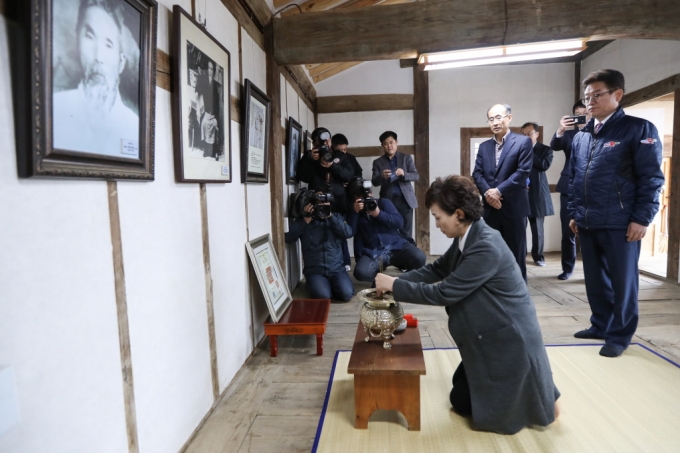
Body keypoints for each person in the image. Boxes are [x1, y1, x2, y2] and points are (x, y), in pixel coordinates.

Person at [374, 175, 560, 435]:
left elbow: (444, 292)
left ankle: (543, 400)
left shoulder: (486, 245)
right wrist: (395, 280)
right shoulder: (467, 235)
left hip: (508, 339)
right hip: (490, 333)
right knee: (460, 395)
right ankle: (539, 395)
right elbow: (437, 269)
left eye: (438, 217)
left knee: (464, 403)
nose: (436, 224)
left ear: (459, 214)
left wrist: (394, 286)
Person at [569, 69, 664, 358]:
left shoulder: (639, 129)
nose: (590, 102)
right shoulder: (582, 136)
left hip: (622, 222)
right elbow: (575, 177)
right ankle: (600, 325)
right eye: (587, 97)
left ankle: (620, 335)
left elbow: (651, 178)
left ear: (617, 95)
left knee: (623, 283)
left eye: (597, 95)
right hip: (588, 219)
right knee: (596, 280)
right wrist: (575, 213)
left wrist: (642, 218)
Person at [53, 0, 139, 158]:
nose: (98, 57)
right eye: (90, 37)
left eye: (108, 45)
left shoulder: (134, 126)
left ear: (121, 63)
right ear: (78, 45)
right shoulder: (55, 108)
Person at [472, 104, 533, 281]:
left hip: (514, 208)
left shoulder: (523, 142)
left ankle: (518, 293)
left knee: (516, 254)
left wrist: (498, 191)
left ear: (509, 118)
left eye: (499, 117)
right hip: (491, 209)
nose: (495, 122)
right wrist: (489, 194)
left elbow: (523, 172)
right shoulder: (484, 147)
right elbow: (477, 173)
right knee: (491, 253)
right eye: (491, 119)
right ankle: (494, 291)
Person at [346, 179, 426, 283]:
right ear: (354, 199)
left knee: (419, 257)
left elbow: (399, 222)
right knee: (361, 272)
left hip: (396, 246)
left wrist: (378, 213)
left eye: (366, 197)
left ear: (371, 193)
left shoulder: (383, 203)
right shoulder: (355, 212)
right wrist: (355, 212)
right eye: (361, 199)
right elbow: (349, 232)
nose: (365, 201)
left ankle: (403, 281)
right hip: (374, 252)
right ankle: (381, 281)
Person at [285, 199, 354, 301]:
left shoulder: (336, 217)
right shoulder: (305, 219)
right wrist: (305, 220)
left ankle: (333, 286)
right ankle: (322, 286)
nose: (321, 206)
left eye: (325, 203)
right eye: (318, 203)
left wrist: (331, 217)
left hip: (337, 269)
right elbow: (289, 238)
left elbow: (348, 233)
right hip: (314, 271)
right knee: (323, 297)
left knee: (347, 294)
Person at [550, 101, 590, 280]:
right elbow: (554, 146)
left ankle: (592, 272)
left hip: (592, 189)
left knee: (591, 233)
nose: (582, 116)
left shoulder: (601, 132)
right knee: (567, 231)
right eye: (578, 113)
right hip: (569, 187)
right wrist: (560, 129)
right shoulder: (569, 134)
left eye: (585, 112)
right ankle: (567, 268)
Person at [371, 131, 419, 242]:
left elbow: (416, 176)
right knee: (390, 229)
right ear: (382, 145)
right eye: (386, 143)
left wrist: (404, 174)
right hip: (388, 201)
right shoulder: (378, 162)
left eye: (391, 142)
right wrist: (382, 176)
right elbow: (374, 181)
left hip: (405, 200)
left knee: (406, 231)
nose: (389, 146)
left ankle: (409, 256)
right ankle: (393, 256)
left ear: (396, 142)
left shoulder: (406, 158)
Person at [298, 128, 354, 215]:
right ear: (314, 143)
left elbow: (349, 175)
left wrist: (332, 166)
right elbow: (303, 177)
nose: (326, 143)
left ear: (331, 140)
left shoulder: (341, 156)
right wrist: (312, 160)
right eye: (322, 141)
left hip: (338, 203)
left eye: (327, 140)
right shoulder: (308, 157)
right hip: (318, 202)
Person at [520, 122, 554, 267]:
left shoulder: (545, 149)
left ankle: (538, 256)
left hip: (537, 194)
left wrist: (529, 151)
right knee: (519, 227)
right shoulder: (517, 149)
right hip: (520, 192)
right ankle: (519, 255)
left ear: (537, 134)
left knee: (537, 229)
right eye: (524, 134)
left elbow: (544, 165)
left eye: (529, 134)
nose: (526, 137)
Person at [332, 133, 363, 271]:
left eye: (345, 149)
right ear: (333, 148)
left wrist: (349, 183)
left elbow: (358, 175)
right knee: (341, 232)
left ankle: (359, 259)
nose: (343, 152)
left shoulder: (350, 158)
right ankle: (345, 262)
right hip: (336, 202)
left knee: (356, 229)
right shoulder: (329, 159)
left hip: (351, 200)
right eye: (340, 150)